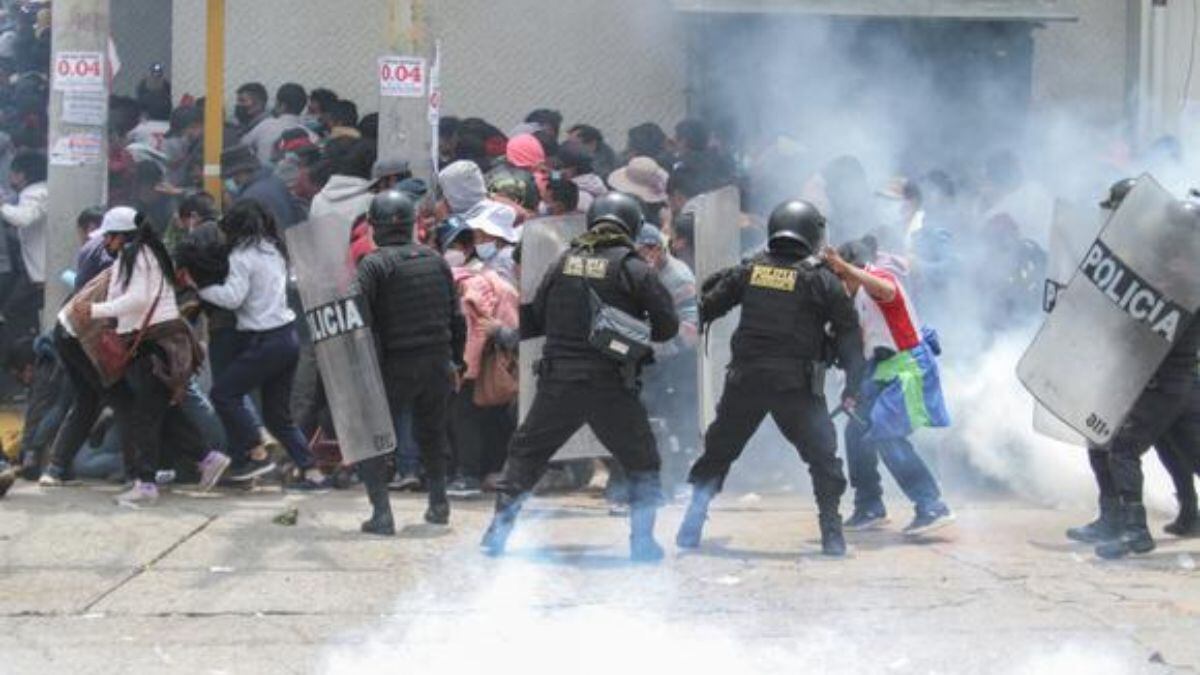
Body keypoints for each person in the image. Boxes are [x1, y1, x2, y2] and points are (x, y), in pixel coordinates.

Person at [480, 192, 679, 562]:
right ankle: (642, 543)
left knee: (526, 456)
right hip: (611, 385)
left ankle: (498, 532)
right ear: (632, 226)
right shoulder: (634, 268)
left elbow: (535, 318)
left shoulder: (564, 261)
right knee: (642, 462)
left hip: (558, 383)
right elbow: (667, 328)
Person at [677, 200, 864, 557]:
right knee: (823, 459)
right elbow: (849, 337)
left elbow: (709, 305)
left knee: (718, 453)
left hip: (745, 381)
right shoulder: (822, 279)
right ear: (811, 233)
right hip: (796, 387)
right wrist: (854, 387)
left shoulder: (751, 270)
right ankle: (832, 533)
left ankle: (692, 523)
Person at [86, 211, 228, 505]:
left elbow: (138, 299)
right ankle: (208, 458)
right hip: (157, 343)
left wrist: (95, 310)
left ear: (121, 235)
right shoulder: (145, 253)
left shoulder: (136, 255)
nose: (106, 243)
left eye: (109, 236)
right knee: (164, 414)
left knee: (145, 417)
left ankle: (145, 484)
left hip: (154, 344)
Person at [824, 237, 955, 536]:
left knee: (886, 433)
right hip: (882, 369)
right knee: (856, 430)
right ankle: (869, 506)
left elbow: (886, 290)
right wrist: (852, 392)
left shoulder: (879, 279)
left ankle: (931, 505)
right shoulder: (853, 299)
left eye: (839, 277)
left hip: (908, 366)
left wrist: (844, 267)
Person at [353, 190, 466, 534]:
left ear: (374, 226)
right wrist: (456, 362)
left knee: (369, 437)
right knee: (432, 435)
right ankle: (438, 504)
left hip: (394, 367)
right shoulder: (435, 260)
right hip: (437, 363)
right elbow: (456, 318)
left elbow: (359, 319)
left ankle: (382, 514)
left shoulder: (373, 264)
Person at [193, 201, 327, 488]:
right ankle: (312, 471)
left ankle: (257, 451)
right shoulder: (274, 250)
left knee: (223, 394)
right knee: (279, 417)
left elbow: (233, 297)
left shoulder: (242, 255)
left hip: (266, 340)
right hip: (288, 338)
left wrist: (199, 288)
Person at [0, 149, 47, 352]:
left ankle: (25, 360)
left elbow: (23, 218)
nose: (10, 176)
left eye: (13, 172)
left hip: (40, 272)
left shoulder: (35, 193)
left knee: (12, 313)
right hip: (34, 271)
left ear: (22, 174)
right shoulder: (41, 190)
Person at [221, 145, 303, 228]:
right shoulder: (275, 181)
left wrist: (233, 208)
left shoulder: (251, 197)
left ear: (239, 172)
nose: (234, 181)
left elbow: (248, 231)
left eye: (232, 176)